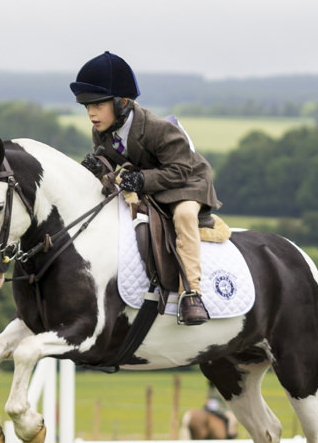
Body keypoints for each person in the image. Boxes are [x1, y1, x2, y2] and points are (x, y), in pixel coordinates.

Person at [71, 51, 221, 325]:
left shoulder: (158, 129)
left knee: (183, 216)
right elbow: (113, 167)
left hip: (185, 182)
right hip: (150, 183)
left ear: (122, 102)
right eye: (86, 106)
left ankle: (192, 293)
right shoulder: (101, 129)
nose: (91, 113)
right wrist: (99, 170)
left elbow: (180, 170)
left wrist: (141, 181)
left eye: (98, 105)